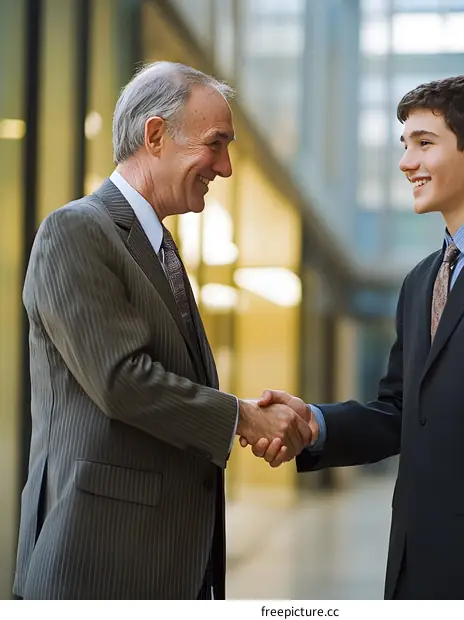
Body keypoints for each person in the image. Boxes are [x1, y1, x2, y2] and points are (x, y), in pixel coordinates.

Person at [248, 75, 464, 600]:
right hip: (417, 568)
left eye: (424, 143)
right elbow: (399, 411)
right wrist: (312, 424)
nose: (406, 162)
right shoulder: (420, 281)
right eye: (404, 145)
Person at [14, 61, 312, 600]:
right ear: (155, 135)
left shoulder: (161, 250)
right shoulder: (75, 231)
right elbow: (121, 379)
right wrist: (241, 415)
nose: (224, 167)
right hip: (97, 566)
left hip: (166, 565)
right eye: (215, 144)